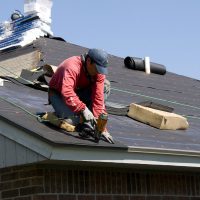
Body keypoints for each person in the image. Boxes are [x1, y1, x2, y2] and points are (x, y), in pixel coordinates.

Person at [48, 48, 113, 142]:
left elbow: (98, 100)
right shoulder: (71, 66)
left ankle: (87, 120)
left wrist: (101, 127)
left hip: (78, 93)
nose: (98, 72)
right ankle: (62, 115)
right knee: (71, 122)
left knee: (105, 85)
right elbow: (67, 92)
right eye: (97, 69)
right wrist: (83, 109)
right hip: (59, 94)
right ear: (89, 61)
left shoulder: (98, 72)